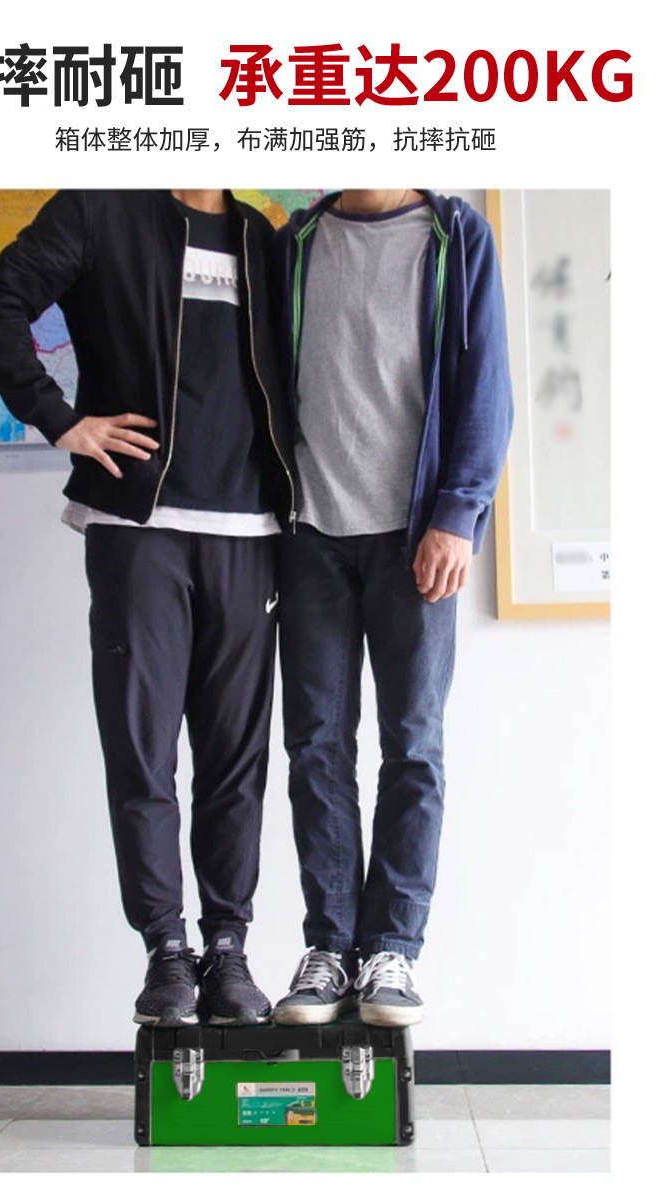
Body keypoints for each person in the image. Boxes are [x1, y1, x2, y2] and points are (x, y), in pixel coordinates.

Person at [0, 189, 296, 1027]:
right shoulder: (95, 213)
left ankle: (228, 946)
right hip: (136, 528)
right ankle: (166, 949)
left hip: (249, 529)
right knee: (143, 754)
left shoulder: (262, 238)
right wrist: (60, 420)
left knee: (235, 761)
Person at [272, 189, 513, 1027]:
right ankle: (331, 948)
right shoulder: (297, 240)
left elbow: (487, 384)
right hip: (310, 534)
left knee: (412, 747)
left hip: (415, 538)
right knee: (315, 748)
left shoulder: (454, 235)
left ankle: (392, 951)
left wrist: (459, 512)